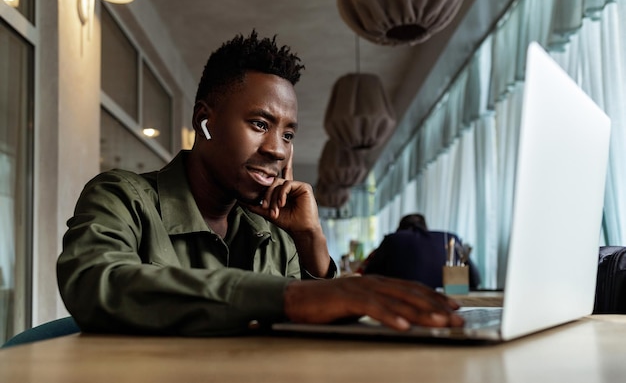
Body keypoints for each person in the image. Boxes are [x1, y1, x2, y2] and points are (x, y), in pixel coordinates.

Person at [57, 31, 463, 336]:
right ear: (205, 121)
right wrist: (286, 297)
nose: (278, 150)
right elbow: (95, 282)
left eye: (288, 134)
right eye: (259, 124)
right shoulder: (120, 196)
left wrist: (310, 239)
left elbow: (314, 333)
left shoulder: (277, 231)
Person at [361, 214, 481, 289]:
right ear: (425, 228)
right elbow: (475, 281)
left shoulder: (392, 240)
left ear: (399, 229)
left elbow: (368, 278)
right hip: (449, 301)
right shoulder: (450, 238)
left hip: (402, 302)